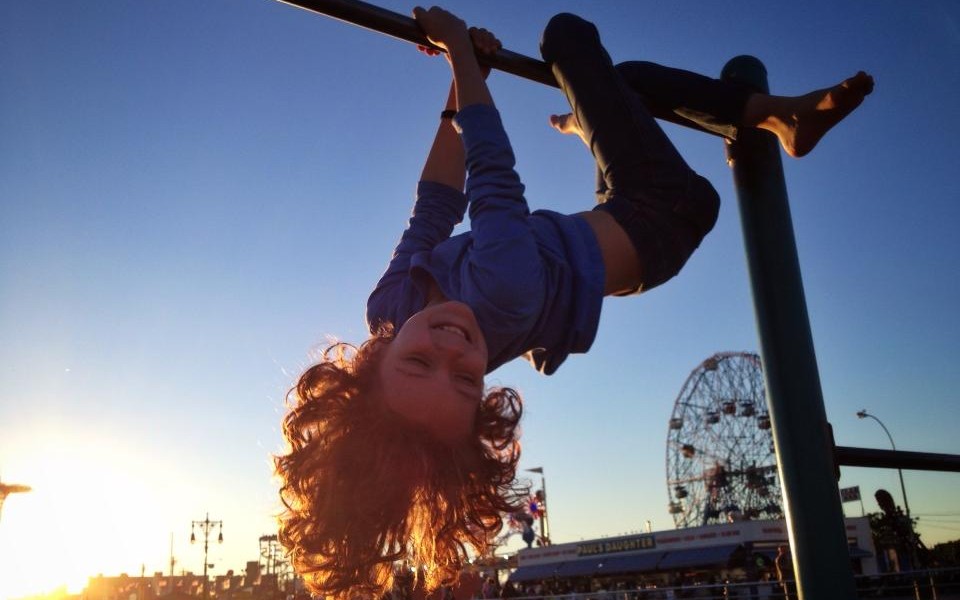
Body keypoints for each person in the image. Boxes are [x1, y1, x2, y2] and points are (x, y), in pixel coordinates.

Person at [275, 7, 874, 599]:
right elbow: (491, 174)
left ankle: (760, 117)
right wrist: (460, 48)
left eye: (417, 363)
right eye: (465, 379)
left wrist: (464, 76)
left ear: (372, 363)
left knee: (622, 82)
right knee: (565, 37)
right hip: (663, 213)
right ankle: (650, 120)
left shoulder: (388, 306)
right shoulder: (500, 294)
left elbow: (433, 203)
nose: (454, 346)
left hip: (607, 218)